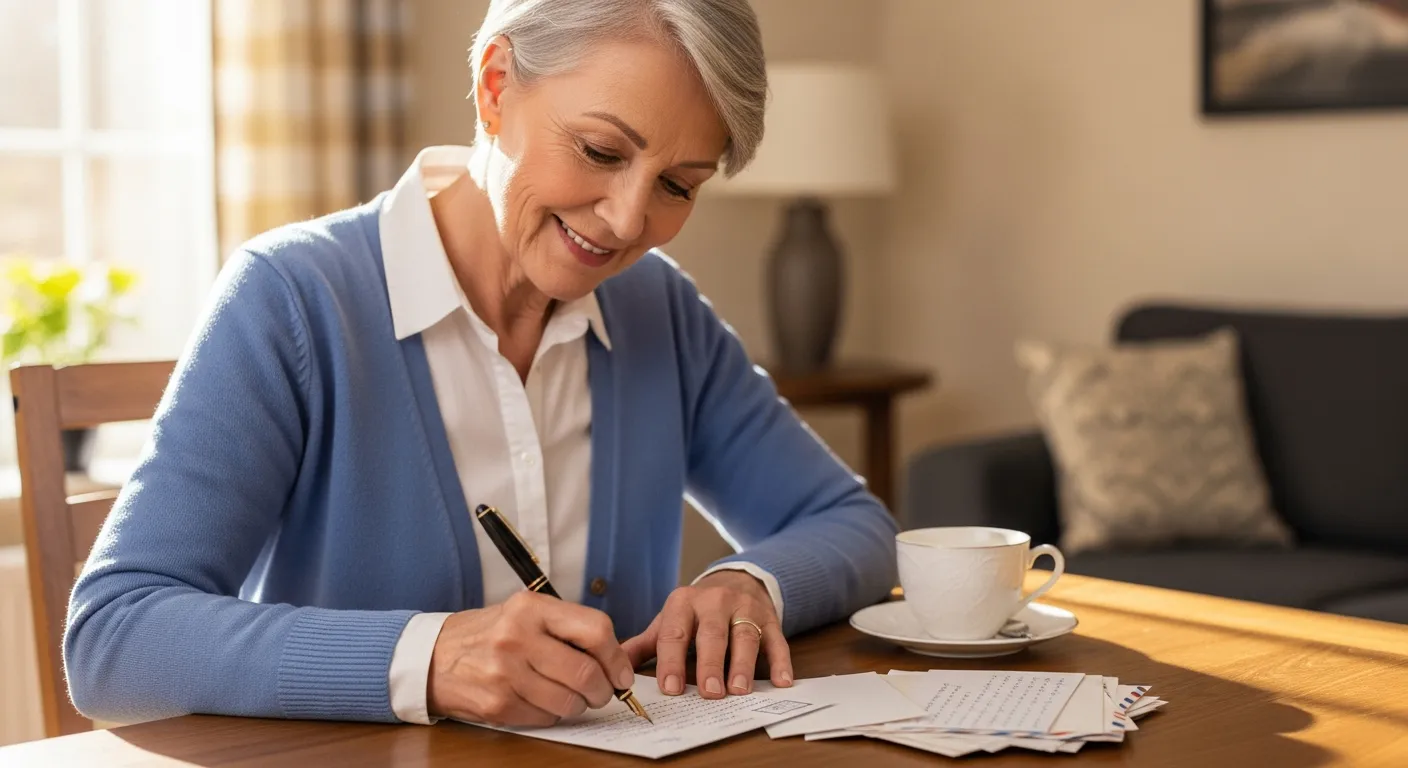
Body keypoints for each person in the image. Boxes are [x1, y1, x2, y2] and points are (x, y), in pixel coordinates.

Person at [64, 0, 897, 729]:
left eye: (678, 185)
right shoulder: (292, 299)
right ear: (495, 88)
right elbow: (116, 635)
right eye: (603, 151)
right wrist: (428, 658)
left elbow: (857, 529)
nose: (626, 218)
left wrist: (752, 583)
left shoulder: (657, 311)